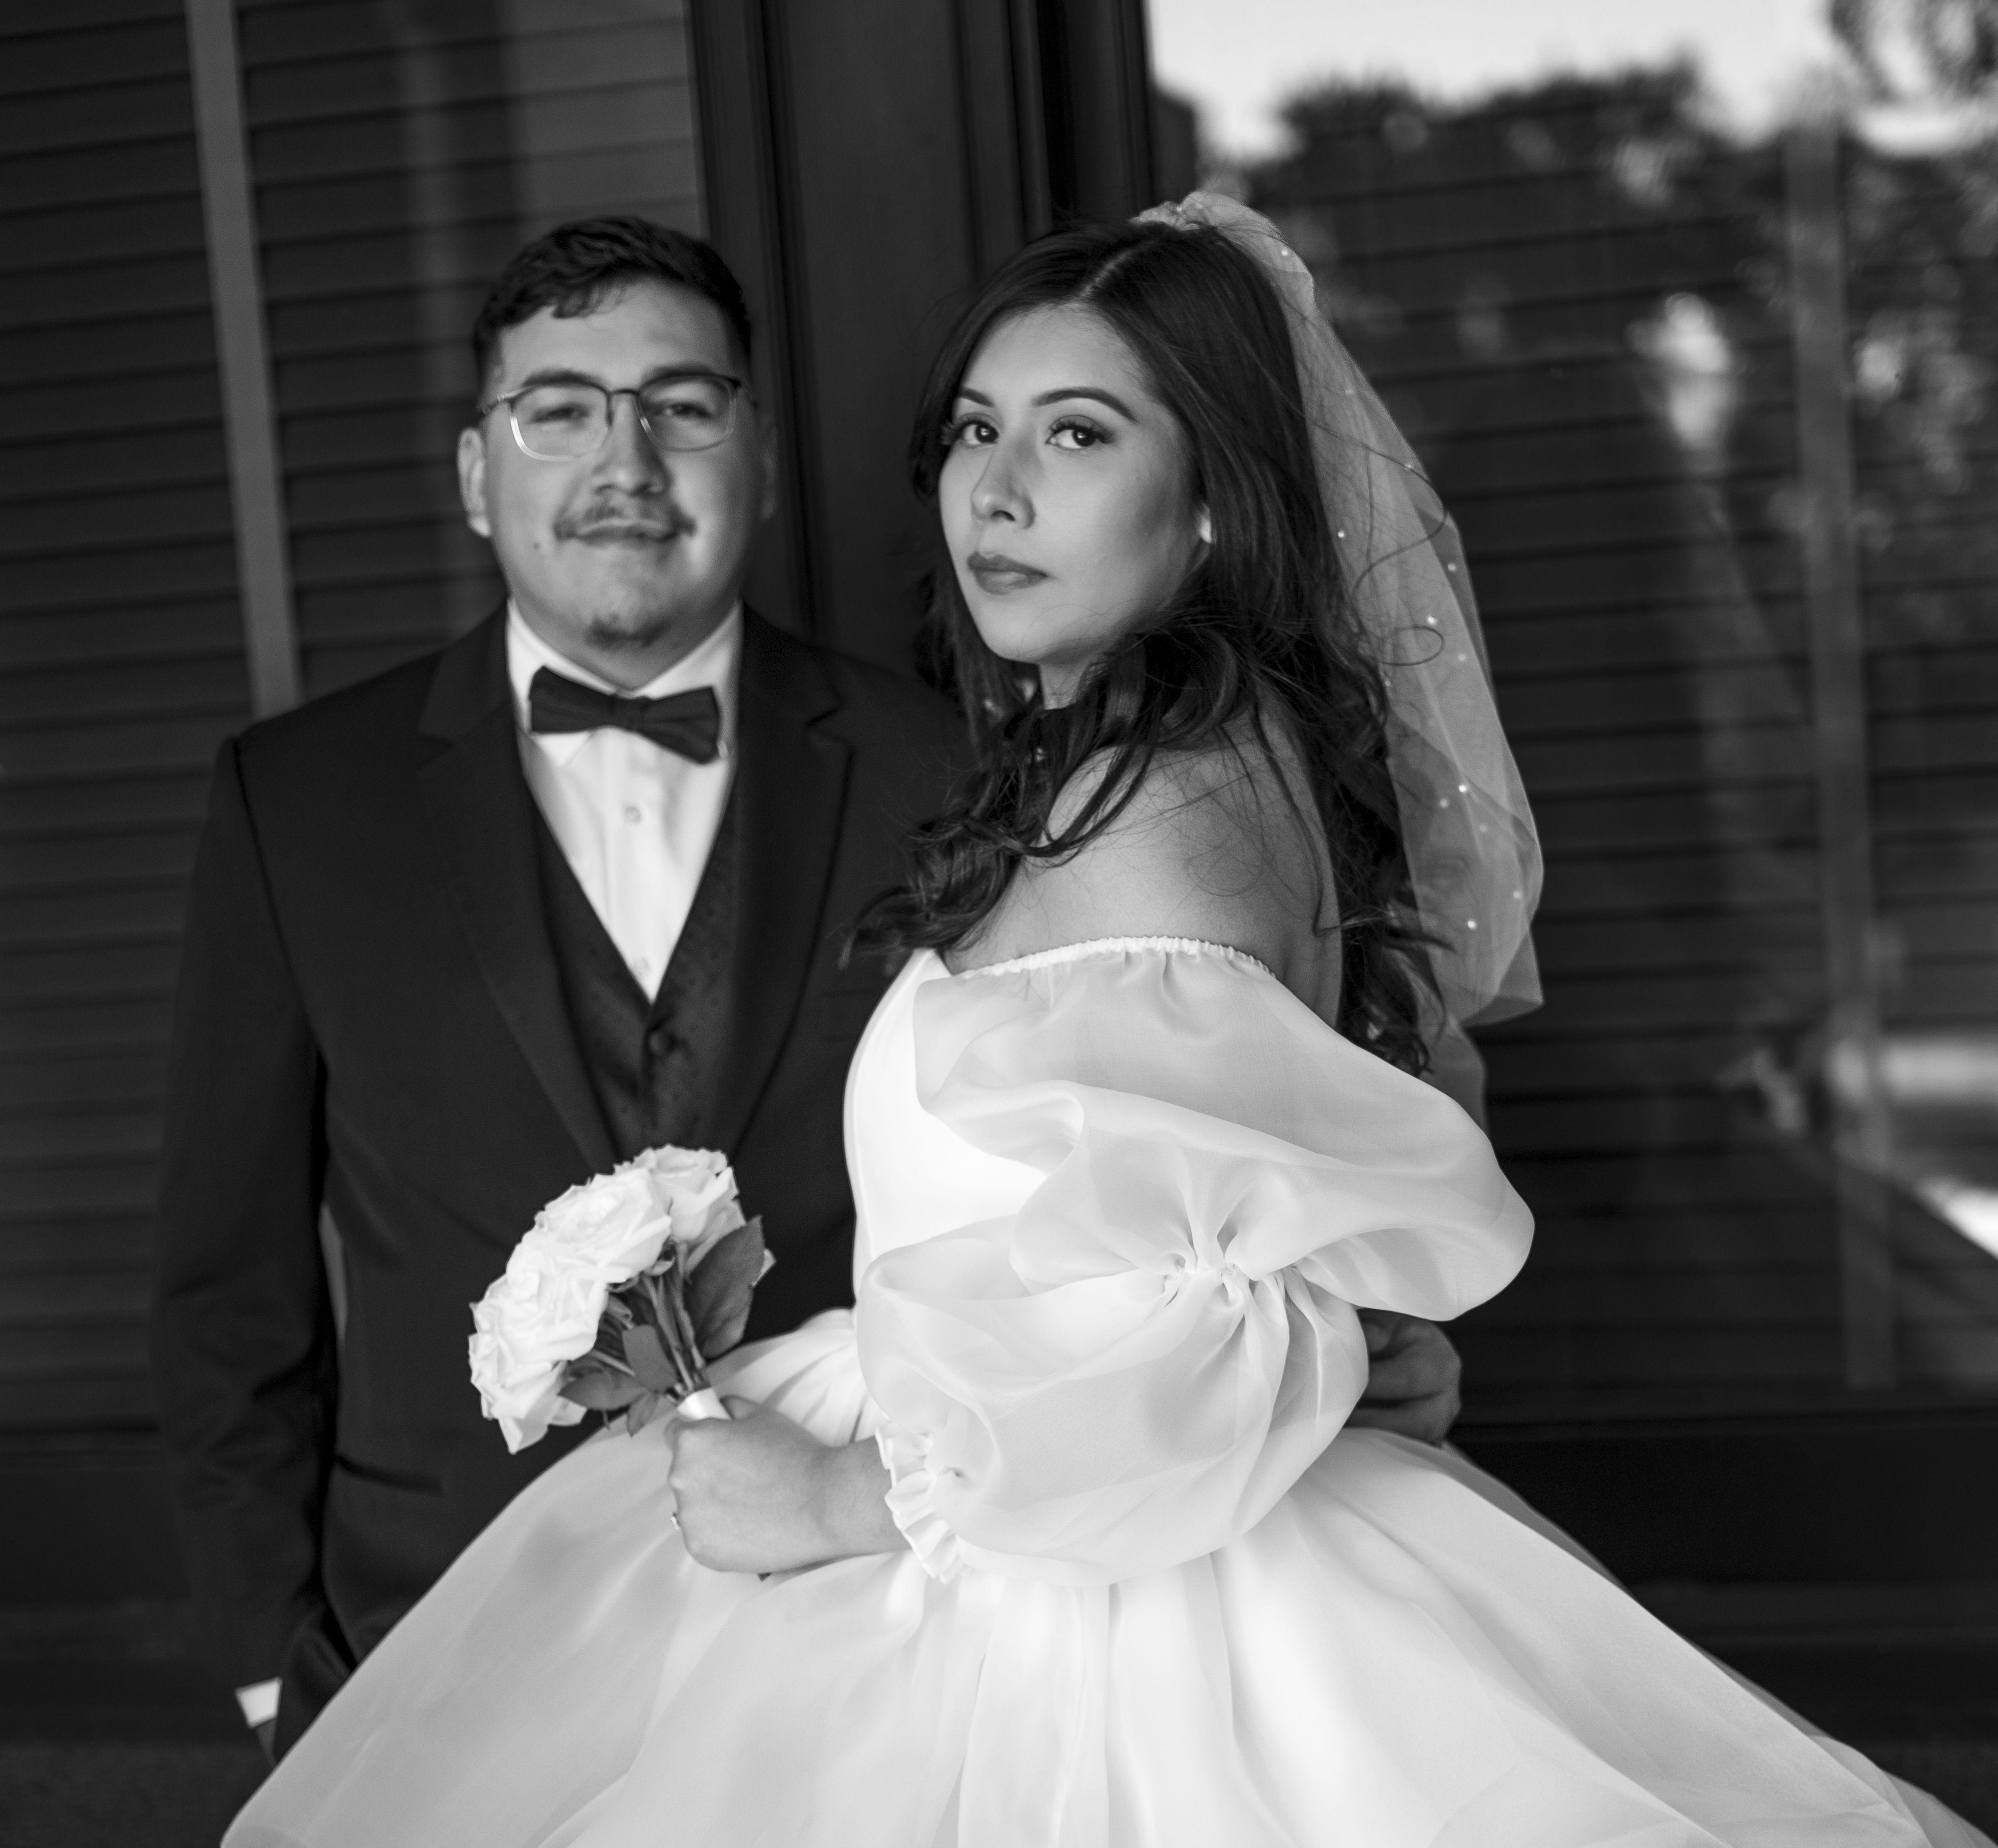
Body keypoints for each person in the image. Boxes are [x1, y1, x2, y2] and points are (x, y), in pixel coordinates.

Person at [225, 194, 1986, 1848]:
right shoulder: (1126, 762)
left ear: (1211, 497)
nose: (997, 490)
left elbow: (1219, 1324)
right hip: (1032, 1544)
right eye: (975, 431)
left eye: (1077, 435)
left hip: (1085, 1633)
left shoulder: (1158, 801)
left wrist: (838, 1502)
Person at [152, 215, 1464, 1765]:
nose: (624, 461)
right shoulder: (295, 800)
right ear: (474, 473)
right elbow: (231, 1282)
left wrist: (1321, 1346)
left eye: (682, 403)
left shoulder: (979, 766)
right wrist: (267, 1667)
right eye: (558, 409)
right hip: (431, 1631)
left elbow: (1208, 1216)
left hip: (884, 1655)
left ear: (762, 456)